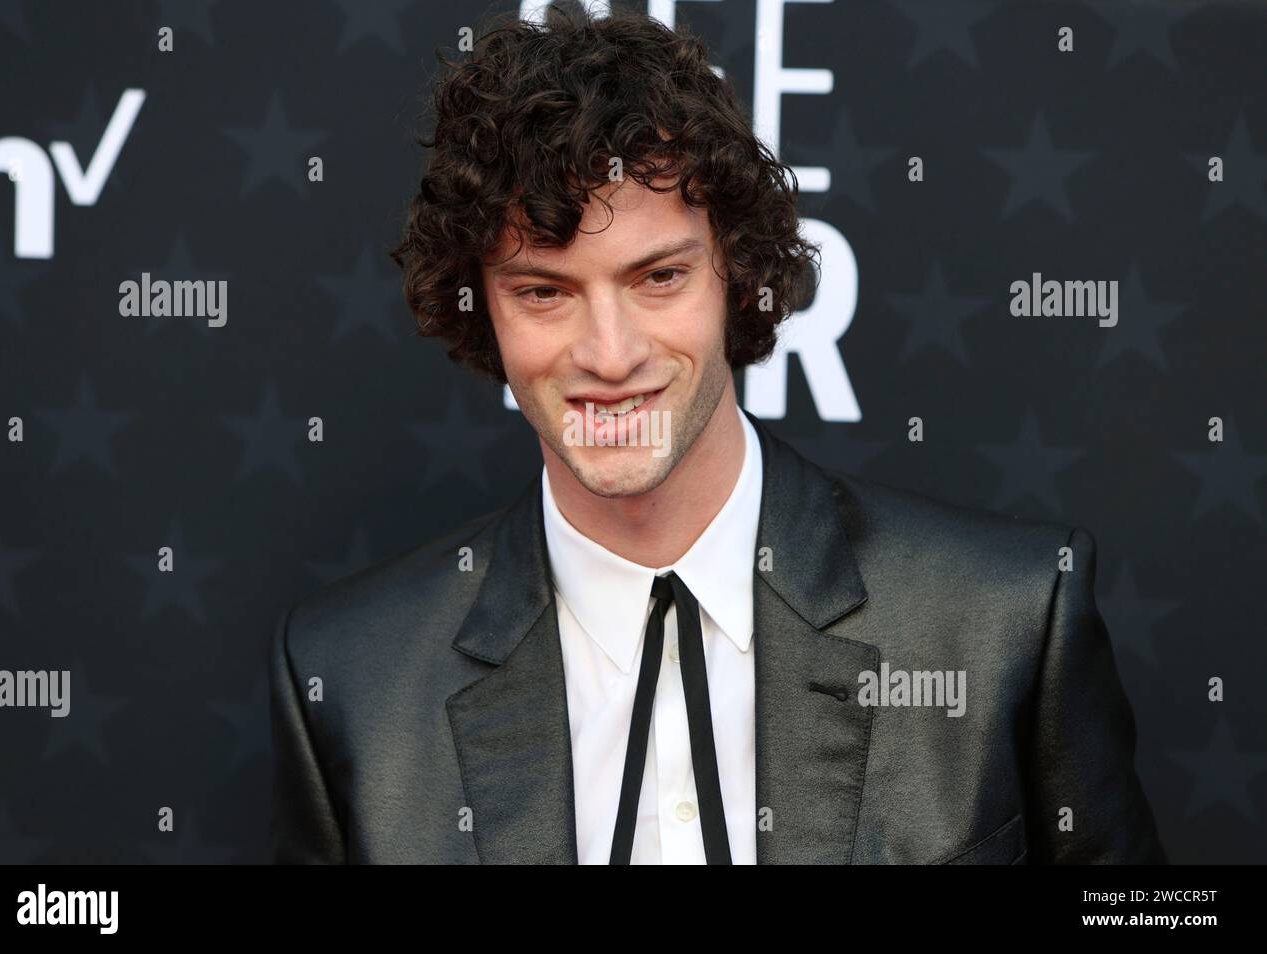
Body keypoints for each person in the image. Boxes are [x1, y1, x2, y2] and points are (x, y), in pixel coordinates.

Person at [269, 5, 1166, 864]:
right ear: (480, 311)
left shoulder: (1005, 621)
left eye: (658, 277)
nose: (609, 356)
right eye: (544, 291)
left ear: (737, 274)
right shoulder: (352, 682)